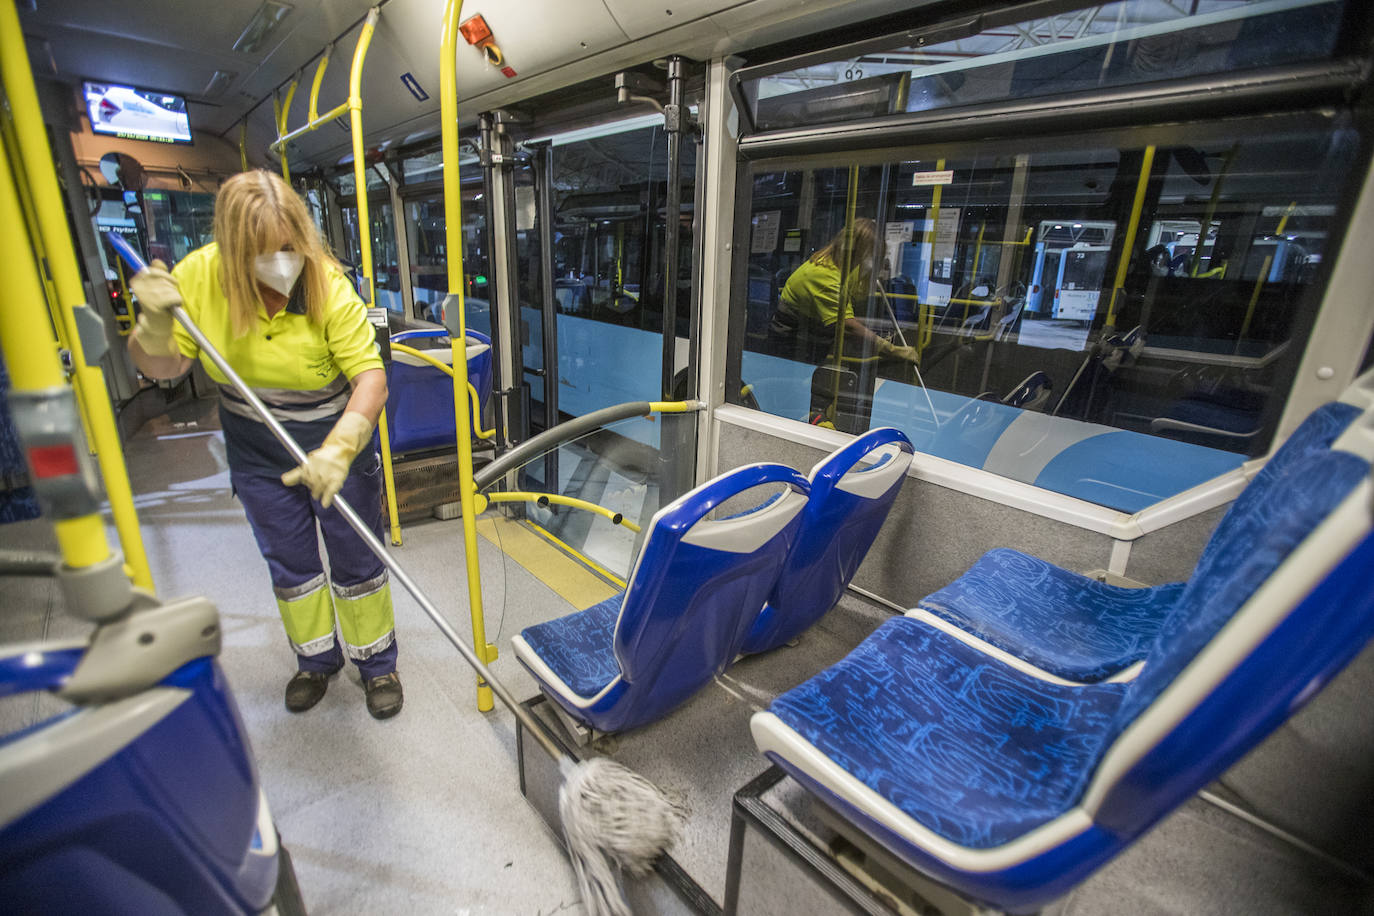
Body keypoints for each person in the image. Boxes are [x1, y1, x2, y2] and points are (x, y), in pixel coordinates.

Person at [128, 169, 403, 720]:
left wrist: (342, 446)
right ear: (232, 250)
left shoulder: (325, 282)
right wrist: (154, 327)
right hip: (259, 454)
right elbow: (165, 367)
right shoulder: (200, 280)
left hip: (334, 447)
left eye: (288, 247)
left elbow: (370, 378)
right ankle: (315, 661)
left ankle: (377, 664)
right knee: (292, 567)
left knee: (357, 561)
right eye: (261, 251)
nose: (280, 261)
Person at [768, 218, 919, 366]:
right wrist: (893, 350)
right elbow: (848, 326)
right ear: (858, 251)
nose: (873, 262)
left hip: (807, 340)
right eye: (872, 255)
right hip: (790, 346)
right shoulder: (825, 276)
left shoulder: (839, 268)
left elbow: (845, 314)